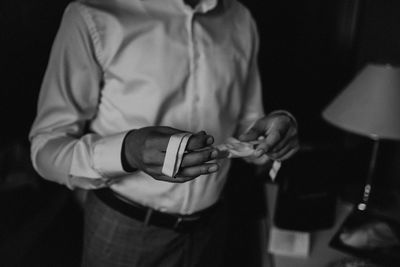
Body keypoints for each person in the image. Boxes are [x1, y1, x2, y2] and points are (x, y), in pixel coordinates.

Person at [29, 0, 299, 266]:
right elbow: (46, 148)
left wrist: (273, 137)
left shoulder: (240, 18)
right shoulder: (92, 14)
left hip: (212, 230)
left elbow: (247, 125)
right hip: (124, 229)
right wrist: (127, 152)